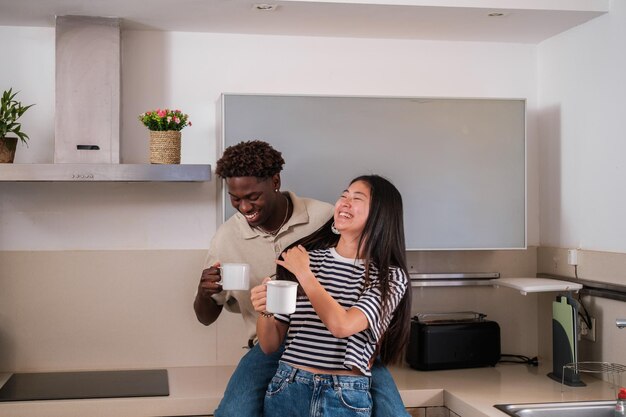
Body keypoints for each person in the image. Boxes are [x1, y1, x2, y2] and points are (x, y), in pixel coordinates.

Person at [194, 141, 409, 417]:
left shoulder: (326, 216)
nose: (244, 206)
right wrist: (259, 306)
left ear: (275, 182)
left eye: (252, 196)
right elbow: (224, 323)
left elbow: (350, 314)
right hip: (282, 355)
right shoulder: (226, 238)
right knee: (232, 413)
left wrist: (369, 341)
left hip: (348, 353)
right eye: (235, 198)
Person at [251, 174, 412, 417]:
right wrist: (264, 310)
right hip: (288, 386)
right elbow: (270, 344)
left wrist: (305, 274)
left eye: (357, 198)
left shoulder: (390, 277)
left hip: (345, 395)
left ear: (381, 214)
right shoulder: (305, 259)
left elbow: (342, 325)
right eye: (343, 196)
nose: (344, 202)